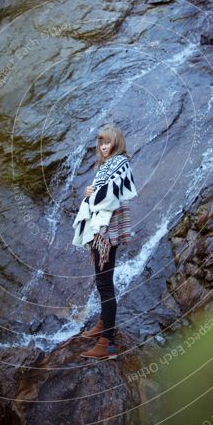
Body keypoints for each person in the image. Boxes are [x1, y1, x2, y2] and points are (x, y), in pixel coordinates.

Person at [71, 124, 138, 360]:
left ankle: (107, 344)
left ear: (116, 142)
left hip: (107, 235)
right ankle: (103, 323)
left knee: (105, 285)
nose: (104, 146)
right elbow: (103, 191)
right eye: (101, 142)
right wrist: (93, 190)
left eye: (107, 142)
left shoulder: (120, 163)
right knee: (102, 282)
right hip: (104, 233)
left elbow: (111, 195)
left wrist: (93, 193)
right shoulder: (108, 165)